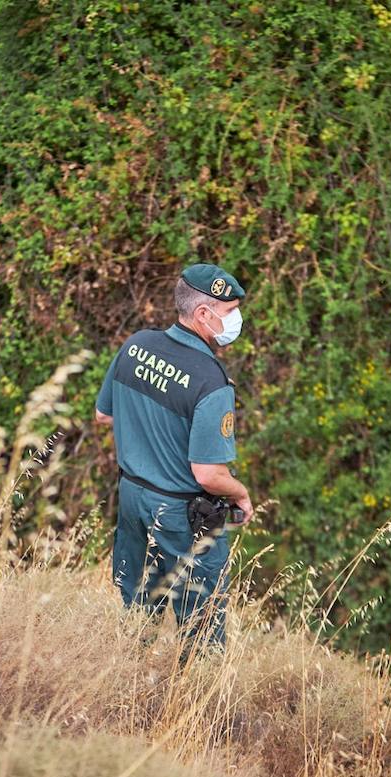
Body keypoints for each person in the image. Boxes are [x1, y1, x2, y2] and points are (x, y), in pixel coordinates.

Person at [94, 262, 254, 653]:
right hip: (184, 517)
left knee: (137, 615)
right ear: (203, 313)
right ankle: (192, 709)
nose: (237, 320)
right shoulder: (210, 382)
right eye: (230, 311)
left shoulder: (136, 345)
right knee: (201, 632)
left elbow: (103, 414)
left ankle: (126, 691)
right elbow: (208, 474)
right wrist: (241, 494)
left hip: (132, 500)